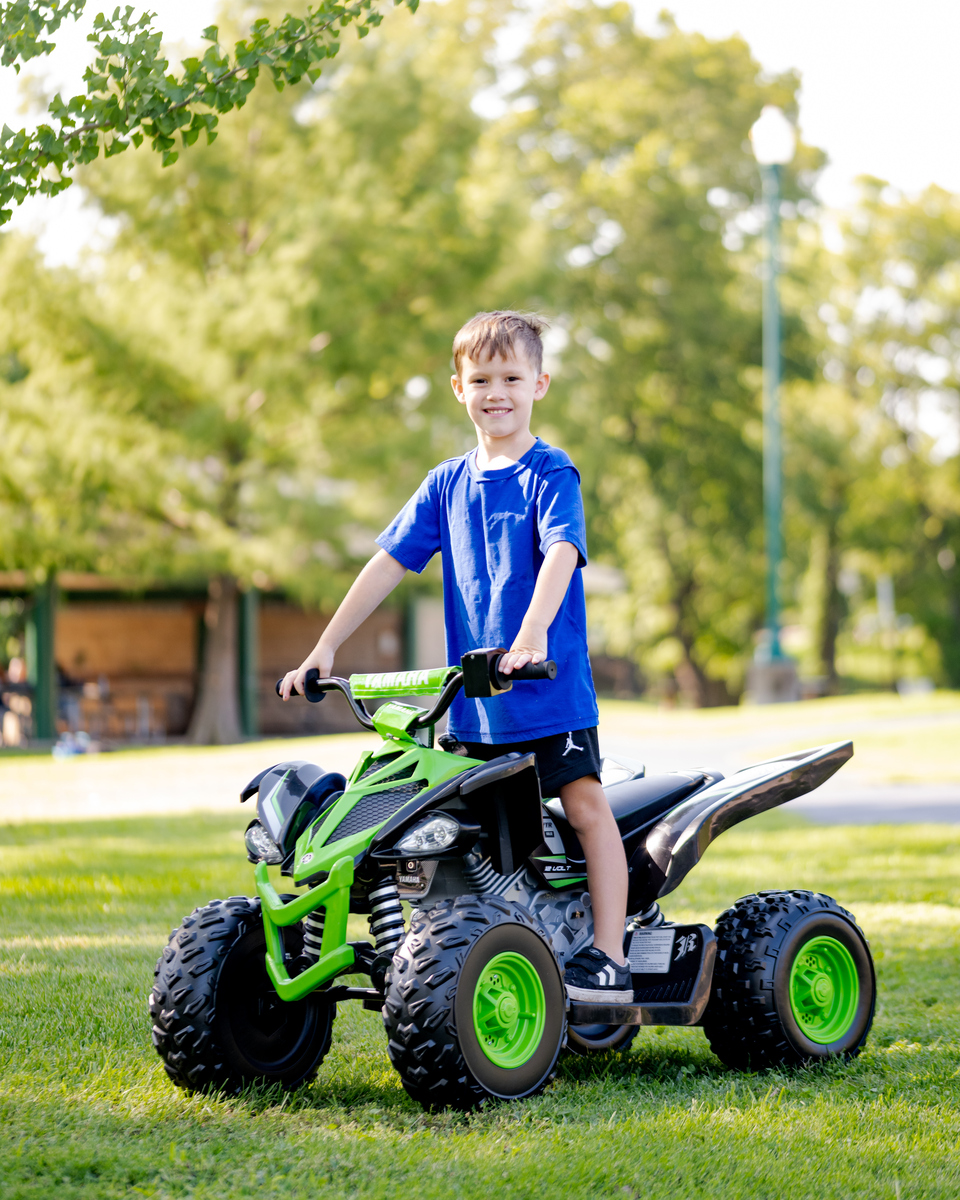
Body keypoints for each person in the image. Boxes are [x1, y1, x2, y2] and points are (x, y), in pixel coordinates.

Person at [281, 310, 631, 1002]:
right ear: (457, 388)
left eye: (511, 377)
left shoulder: (549, 471)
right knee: (452, 834)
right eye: (481, 379)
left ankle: (610, 951)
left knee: (586, 806)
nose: (495, 391)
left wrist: (530, 637)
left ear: (540, 384)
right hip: (469, 706)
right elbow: (386, 564)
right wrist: (326, 645)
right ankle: (468, 954)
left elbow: (562, 552)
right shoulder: (446, 484)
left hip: (545, 691)